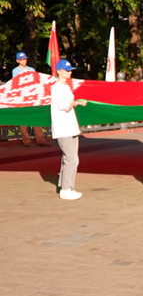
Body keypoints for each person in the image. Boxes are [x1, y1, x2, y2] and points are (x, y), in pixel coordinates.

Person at [51, 60, 87, 200]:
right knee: (71, 159)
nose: (69, 72)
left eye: (70, 70)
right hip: (63, 128)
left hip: (71, 128)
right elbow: (65, 106)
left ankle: (65, 186)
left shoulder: (65, 86)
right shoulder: (57, 87)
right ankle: (66, 189)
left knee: (69, 158)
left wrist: (77, 102)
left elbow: (69, 104)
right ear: (59, 71)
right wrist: (74, 103)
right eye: (66, 70)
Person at [13, 51, 49, 147]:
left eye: (24, 59)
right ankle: (26, 139)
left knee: (35, 118)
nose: (23, 61)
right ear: (17, 61)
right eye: (21, 59)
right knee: (23, 119)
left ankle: (40, 139)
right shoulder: (15, 71)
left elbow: (36, 82)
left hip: (32, 97)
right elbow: (16, 84)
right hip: (21, 98)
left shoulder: (31, 69)